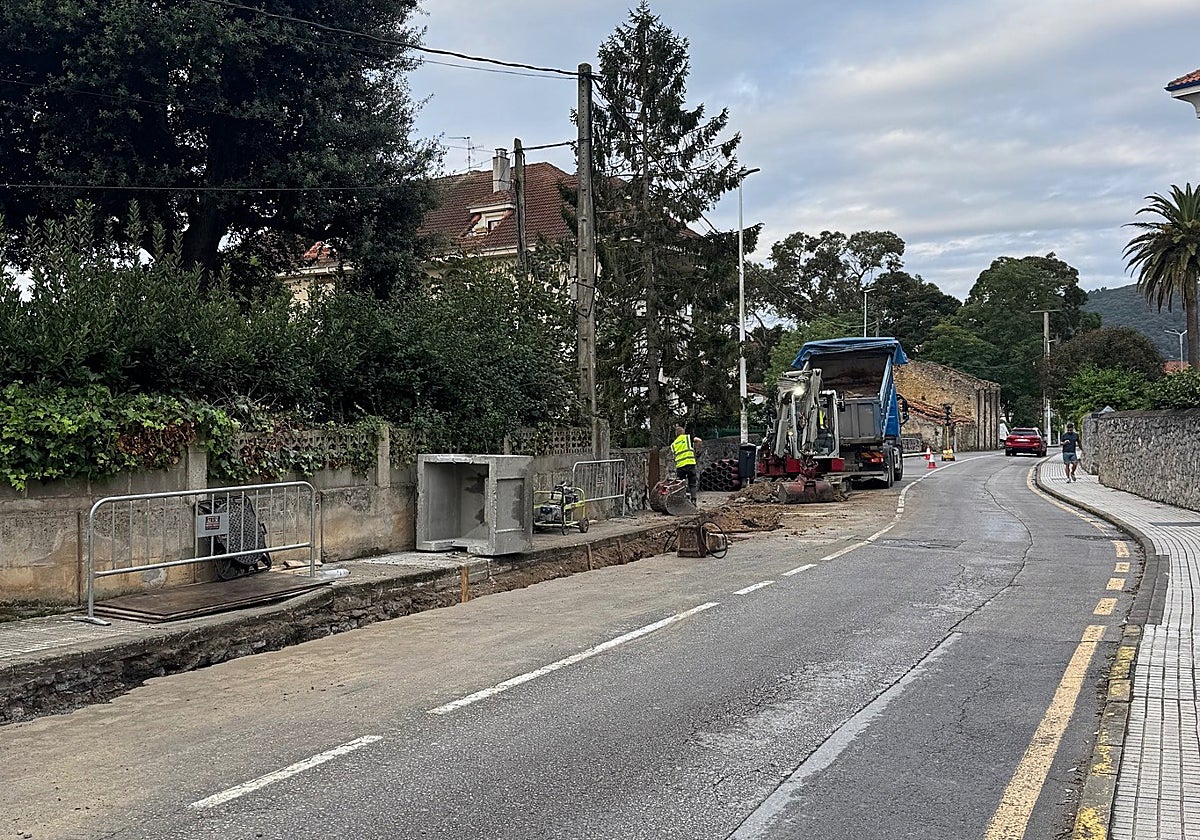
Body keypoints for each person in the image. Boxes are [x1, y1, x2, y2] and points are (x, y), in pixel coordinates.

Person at [671, 425, 701, 504]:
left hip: (680, 466)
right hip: (690, 464)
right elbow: (699, 440)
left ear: (676, 434)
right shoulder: (687, 438)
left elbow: (674, 454)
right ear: (683, 432)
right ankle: (693, 499)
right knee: (692, 483)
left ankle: (682, 501)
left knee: (681, 485)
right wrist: (698, 450)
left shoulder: (673, 444)